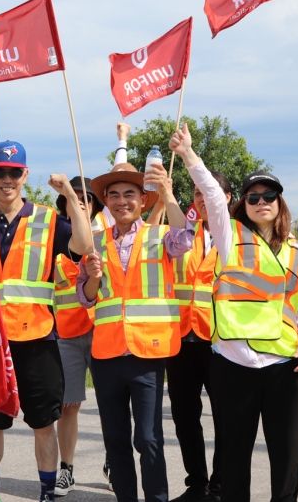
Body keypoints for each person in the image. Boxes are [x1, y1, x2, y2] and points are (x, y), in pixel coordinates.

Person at [171, 123, 298, 502]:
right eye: (253, 197)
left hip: (285, 366)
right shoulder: (229, 235)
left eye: (269, 195)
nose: (261, 201)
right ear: (244, 205)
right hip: (233, 365)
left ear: (280, 202)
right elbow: (213, 198)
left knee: (286, 459)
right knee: (234, 459)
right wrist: (188, 154)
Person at [0, 141, 93, 502]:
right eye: (0, 172)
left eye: (14, 172)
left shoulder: (49, 220)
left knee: (42, 423)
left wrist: (68, 191)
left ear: (25, 175)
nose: (7, 179)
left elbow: (83, 246)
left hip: (36, 338)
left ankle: (47, 493)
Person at [75, 162, 191, 502]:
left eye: (129, 194)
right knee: (115, 439)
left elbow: (185, 240)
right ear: (106, 202)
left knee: (148, 438)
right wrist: (93, 276)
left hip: (147, 353)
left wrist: (168, 193)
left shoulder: (159, 235)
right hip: (107, 355)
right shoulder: (93, 243)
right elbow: (86, 297)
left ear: (143, 201)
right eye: (114, 195)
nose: (121, 201)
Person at [167, 172, 231, 502]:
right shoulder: (180, 233)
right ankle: (197, 483)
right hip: (180, 337)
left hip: (219, 340)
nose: (202, 199)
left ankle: (220, 487)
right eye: (197, 193)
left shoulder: (233, 237)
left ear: (227, 198)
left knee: (224, 414)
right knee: (184, 415)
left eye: (210, 192)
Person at [51, 176, 103, 497]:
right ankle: (66, 470)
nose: (82, 202)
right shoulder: (54, 240)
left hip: (102, 332)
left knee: (112, 404)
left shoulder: (106, 239)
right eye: (74, 198)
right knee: (69, 405)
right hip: (66, 335)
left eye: (88, 199)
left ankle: (113, 461)